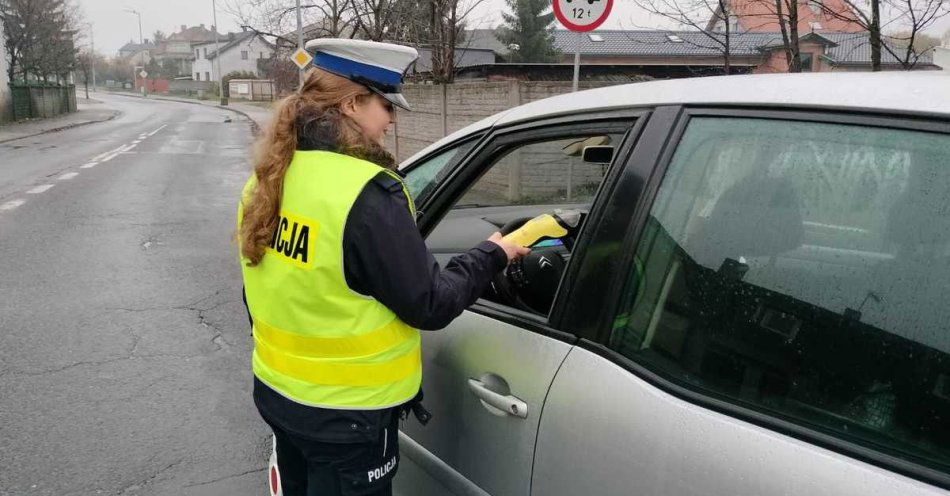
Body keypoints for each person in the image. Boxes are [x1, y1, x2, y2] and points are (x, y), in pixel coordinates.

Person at [236, 39, 529, 496]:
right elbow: (429, 303)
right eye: (386, 106)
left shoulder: (269, 175)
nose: (392, 121)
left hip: (279, 397)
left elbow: (263, 286)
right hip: (347, 420)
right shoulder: (368, 191)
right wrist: (494, 253)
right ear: (352, 103)